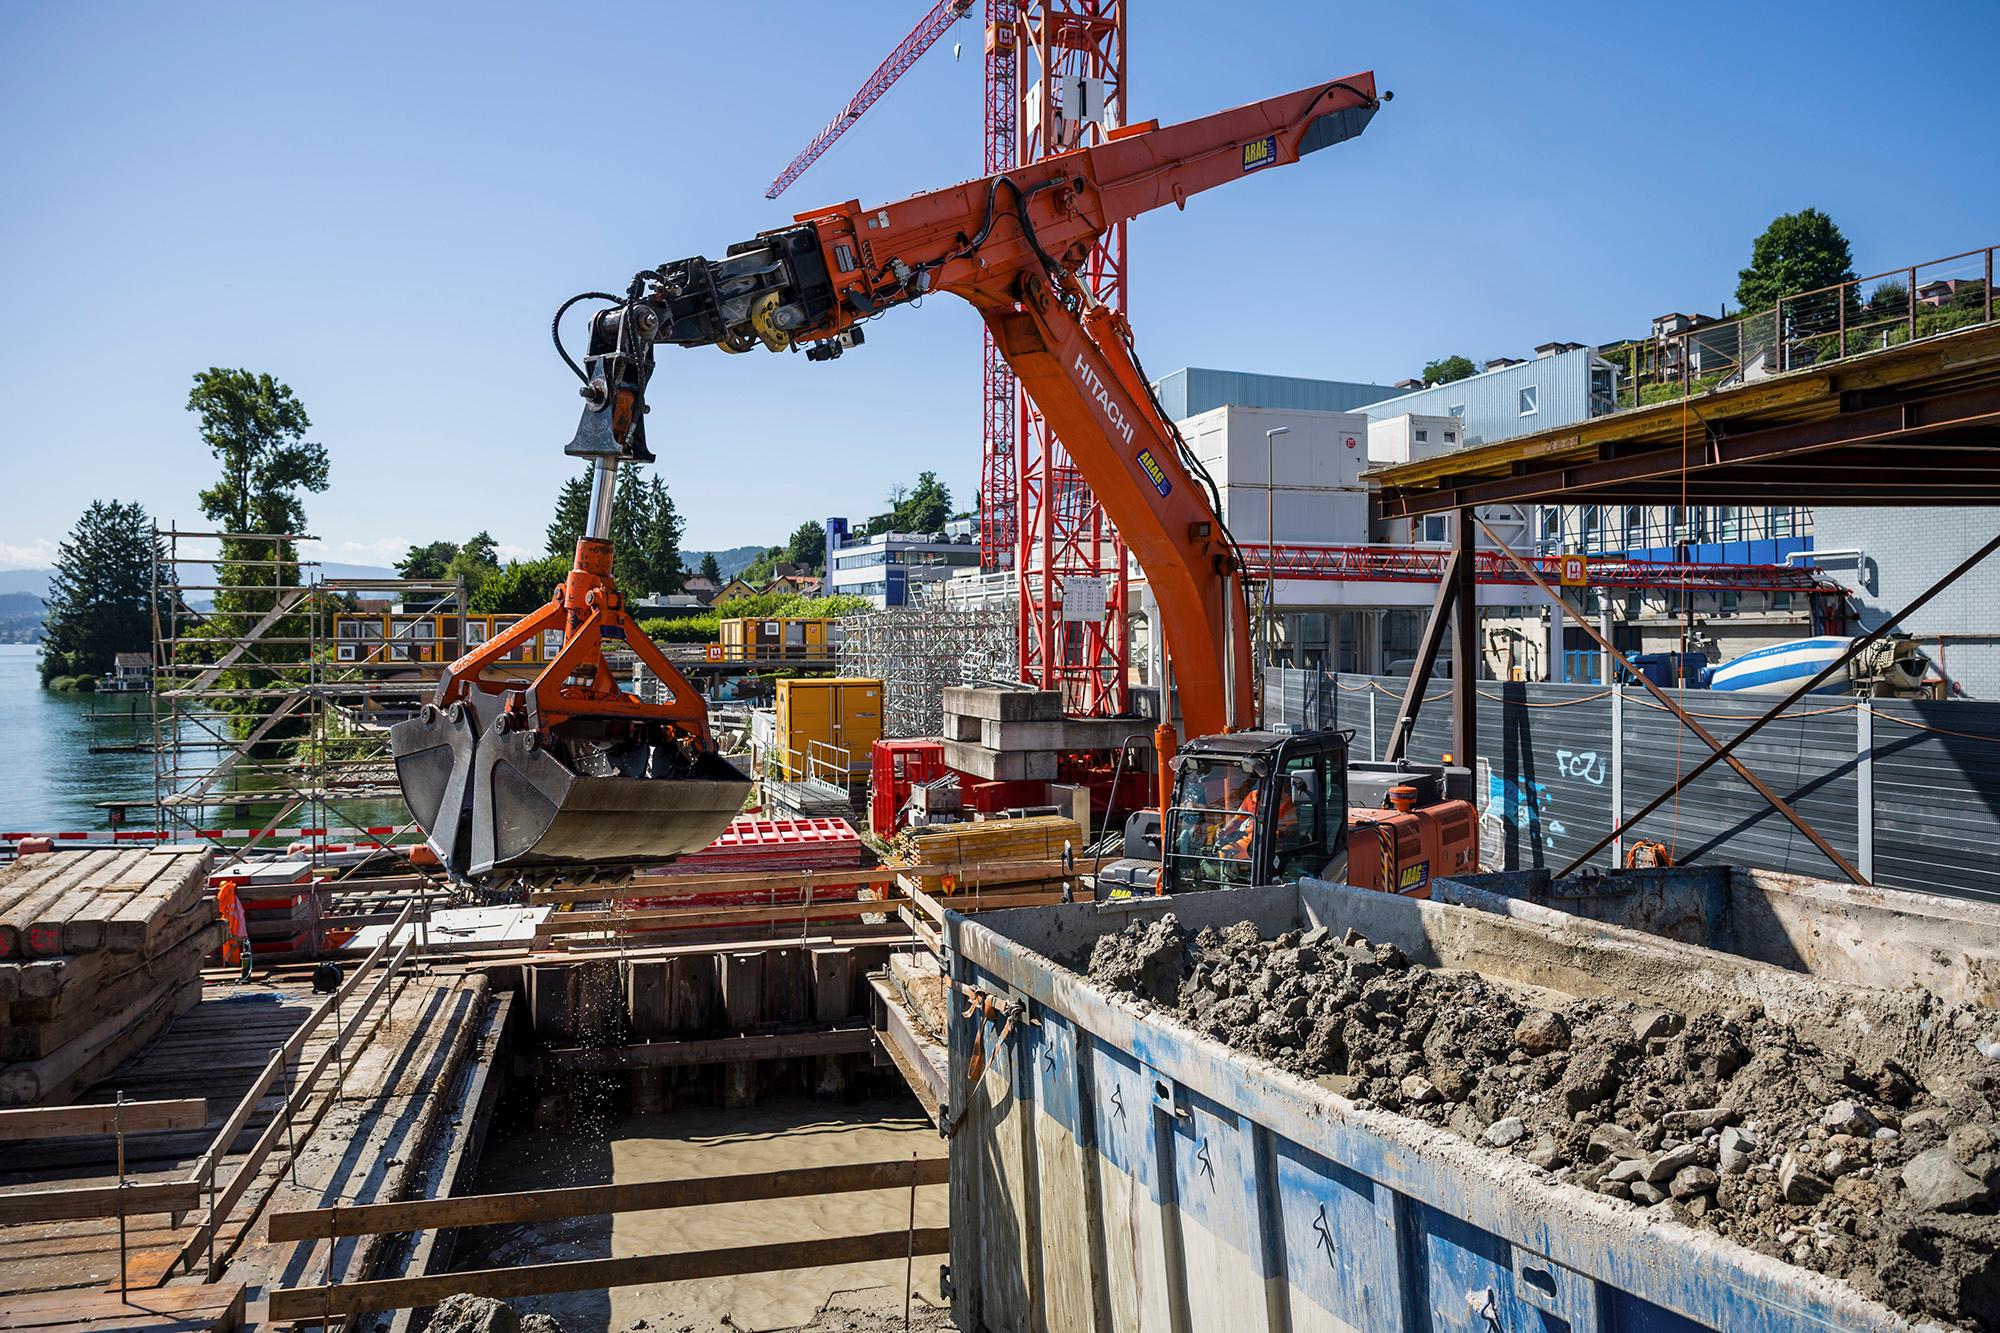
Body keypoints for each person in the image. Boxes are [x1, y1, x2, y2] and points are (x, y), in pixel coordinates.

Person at [215, 878, 252, 983]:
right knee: (231, 947)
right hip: (230, 930)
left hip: (232, 932)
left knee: (234, 949)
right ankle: (229, 963)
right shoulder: (231, 900)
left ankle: (231, 963)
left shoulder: (231, 900)